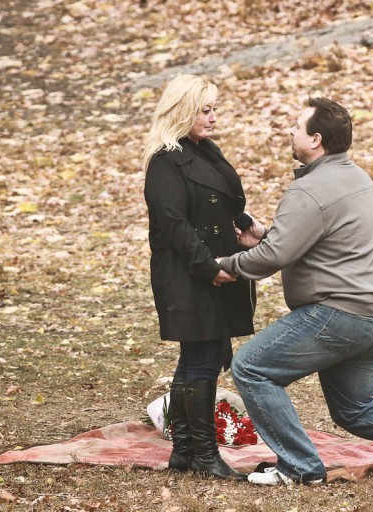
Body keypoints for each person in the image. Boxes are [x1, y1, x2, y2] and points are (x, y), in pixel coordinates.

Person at [217, 97, 373, 485]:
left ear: (316, 139)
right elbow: (311, 240)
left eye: (297, 125)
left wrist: (223, 267)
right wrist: (266, 235)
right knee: (353, 409)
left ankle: (299, 468)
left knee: (251, 368)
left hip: (339, 317)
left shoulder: (308, 191)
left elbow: (273, 259)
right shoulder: (357, 177)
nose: (290, 130)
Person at [141, 74, 256, 481]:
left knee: (196, 357)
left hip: (212, 264)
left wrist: (247, 226)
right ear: (183, 110)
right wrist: (209, 269)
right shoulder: (165, 161)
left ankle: (186, 450)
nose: (212, 117)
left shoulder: (205, 150)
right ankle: (204, 454)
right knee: (202, 356)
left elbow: (222, 204)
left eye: (214, 109)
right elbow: (174, 224)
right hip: (190, 271)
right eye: (205, 110)